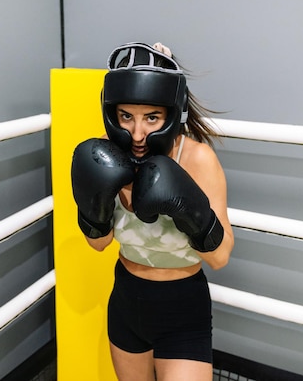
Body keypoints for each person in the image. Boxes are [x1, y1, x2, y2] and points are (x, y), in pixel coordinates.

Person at [71, 42, 234, 381]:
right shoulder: (106, 156)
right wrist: (94, 206)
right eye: (126, 116)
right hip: (127, 301)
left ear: (172, 114)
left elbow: (220, 258)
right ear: (112, 112)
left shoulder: (197, 159)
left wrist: (190, 209)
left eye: (152, 117)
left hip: (183, 309)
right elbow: (99, 245)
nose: (138, 133)